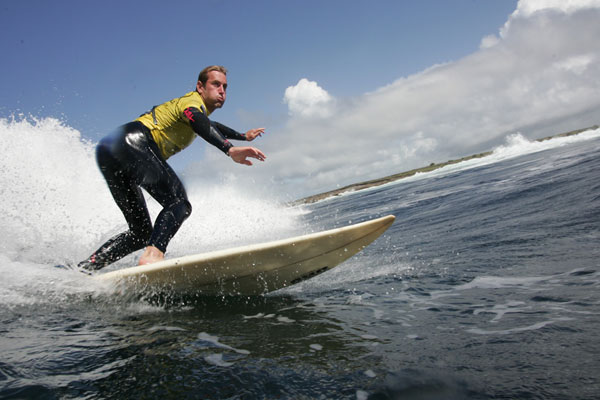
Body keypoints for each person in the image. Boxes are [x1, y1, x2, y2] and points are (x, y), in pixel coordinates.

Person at [77, 65, 266, 271]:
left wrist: (243, 136)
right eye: (216, 84)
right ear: (200, 87)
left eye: (225, 87)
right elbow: (198, 119)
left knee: (140, 233)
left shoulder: (195, 113)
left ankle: (85, 269)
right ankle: (153, 255)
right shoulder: (191, 103)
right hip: (133, 142)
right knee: (178, 202)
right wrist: (229, 149)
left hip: (110, 151)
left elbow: (210, 125)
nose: (222, 91)